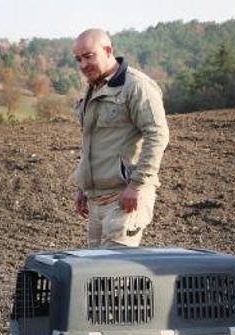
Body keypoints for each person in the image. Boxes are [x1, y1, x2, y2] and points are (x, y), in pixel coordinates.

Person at [69, 29, 169, 247]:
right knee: (94, 275)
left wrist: (136, 185)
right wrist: (82, 187)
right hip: (97, 201)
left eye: (88, 56)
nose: (83, 65)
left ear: (107, 50)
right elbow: (91, 144)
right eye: (78, 59)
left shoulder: (137, 86)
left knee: (113, 274)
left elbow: (157, 135)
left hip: (125, 199)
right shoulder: (92, 92)